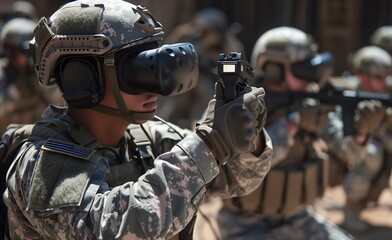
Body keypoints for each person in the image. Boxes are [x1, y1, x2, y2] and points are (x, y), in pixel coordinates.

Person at [1, 0, 272, 239]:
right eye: (138, 67)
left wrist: (246, 131)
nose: (154, 83)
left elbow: (235, 179)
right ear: (82, 78)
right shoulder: (42, 163)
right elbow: (114, 229)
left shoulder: (150, 139)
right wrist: (211, 143)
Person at [214, 26, 354, 240]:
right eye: (301, 71)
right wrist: (291, 125)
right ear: (274, 70)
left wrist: (360, 133)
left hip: (297, 218)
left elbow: (347, 151)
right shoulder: (238, 108)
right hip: (245, 225)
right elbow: (237, 169)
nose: (309, 80)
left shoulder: (310, 102)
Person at [324, 46, 392, 232]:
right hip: (354, 154)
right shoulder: (347, 95)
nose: (387, 82)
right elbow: (339, 141)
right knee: (372, 154)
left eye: (388, 76)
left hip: (386, 144)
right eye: (379, 77)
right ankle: (352, 209)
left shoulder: (389, 90)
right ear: (363, 76)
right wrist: (360, 132)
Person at [156, 8, 245, 129]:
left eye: (207, 30)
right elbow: (170, 58)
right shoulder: (191, 38)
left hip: (212, 86)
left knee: (205, 92)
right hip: (185, 84)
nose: (202, 33)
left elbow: (235, 67)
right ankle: (165, 126)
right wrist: (179, 38)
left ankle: (201, 125)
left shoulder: (229, 44)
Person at [0, 17, 62, 133]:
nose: (30, 55)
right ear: (10, 52)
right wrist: (15, 92)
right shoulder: (3, 74)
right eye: (25, 50)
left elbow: (61, 103)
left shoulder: (42, 71)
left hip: (35, 140)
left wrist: (41, 83)